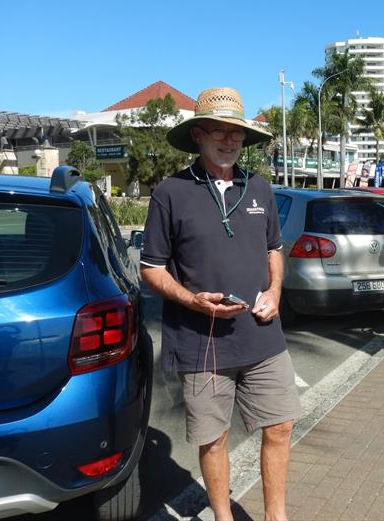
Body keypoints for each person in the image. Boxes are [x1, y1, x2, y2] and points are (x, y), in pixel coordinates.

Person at [140, 86, 301, 521]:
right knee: (214, 439)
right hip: (201, 343)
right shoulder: (170, 193)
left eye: (236, 133)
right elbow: (151, 269)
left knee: (281, 426)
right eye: (218, 132)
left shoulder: (261, 188)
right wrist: (193, 300)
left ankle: (276, 517)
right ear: (198, 135)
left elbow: (273, 249)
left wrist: (275, 290)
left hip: (262, 336)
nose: (229, 141)